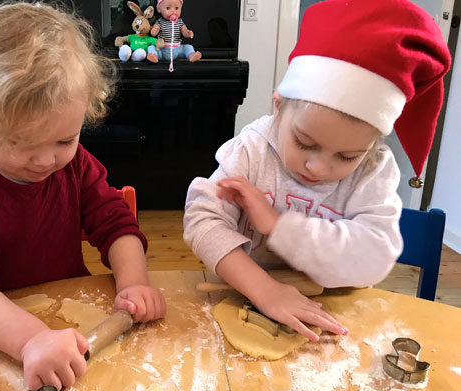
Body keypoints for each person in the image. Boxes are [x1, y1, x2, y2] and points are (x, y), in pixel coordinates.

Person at [0, 2, 166, 390]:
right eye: (20, 142)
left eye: (65, 139)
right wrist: (29, 339)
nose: (45, 160)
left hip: (61, 324)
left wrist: (134, 282)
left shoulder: (76, 166)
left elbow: (115, 224)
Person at [183, 0, 450, 342]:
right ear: (278, 106)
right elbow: (202, 220)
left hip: (336, 313)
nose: (319, 167)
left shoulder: (372, 172)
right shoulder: (252, 151)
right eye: (305, 143)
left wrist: (280, 227)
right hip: (246, 295)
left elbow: (375, 256)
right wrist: (265, 290)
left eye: (348, 156)